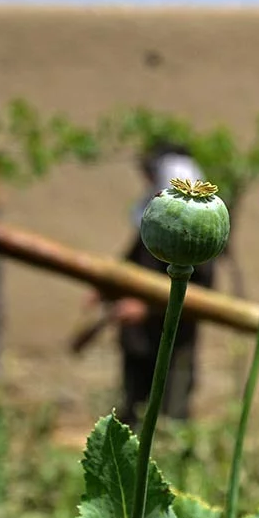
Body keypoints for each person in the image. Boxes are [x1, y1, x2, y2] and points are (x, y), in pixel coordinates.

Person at [88, 139, 217, 428]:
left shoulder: (196, 231)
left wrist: (146, 308)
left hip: (171, 341)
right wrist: (105, 288)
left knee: (170, 416)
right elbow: (131, 262)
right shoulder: (154, 217)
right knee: (132, 413)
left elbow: (200, 293)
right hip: (138, 342)